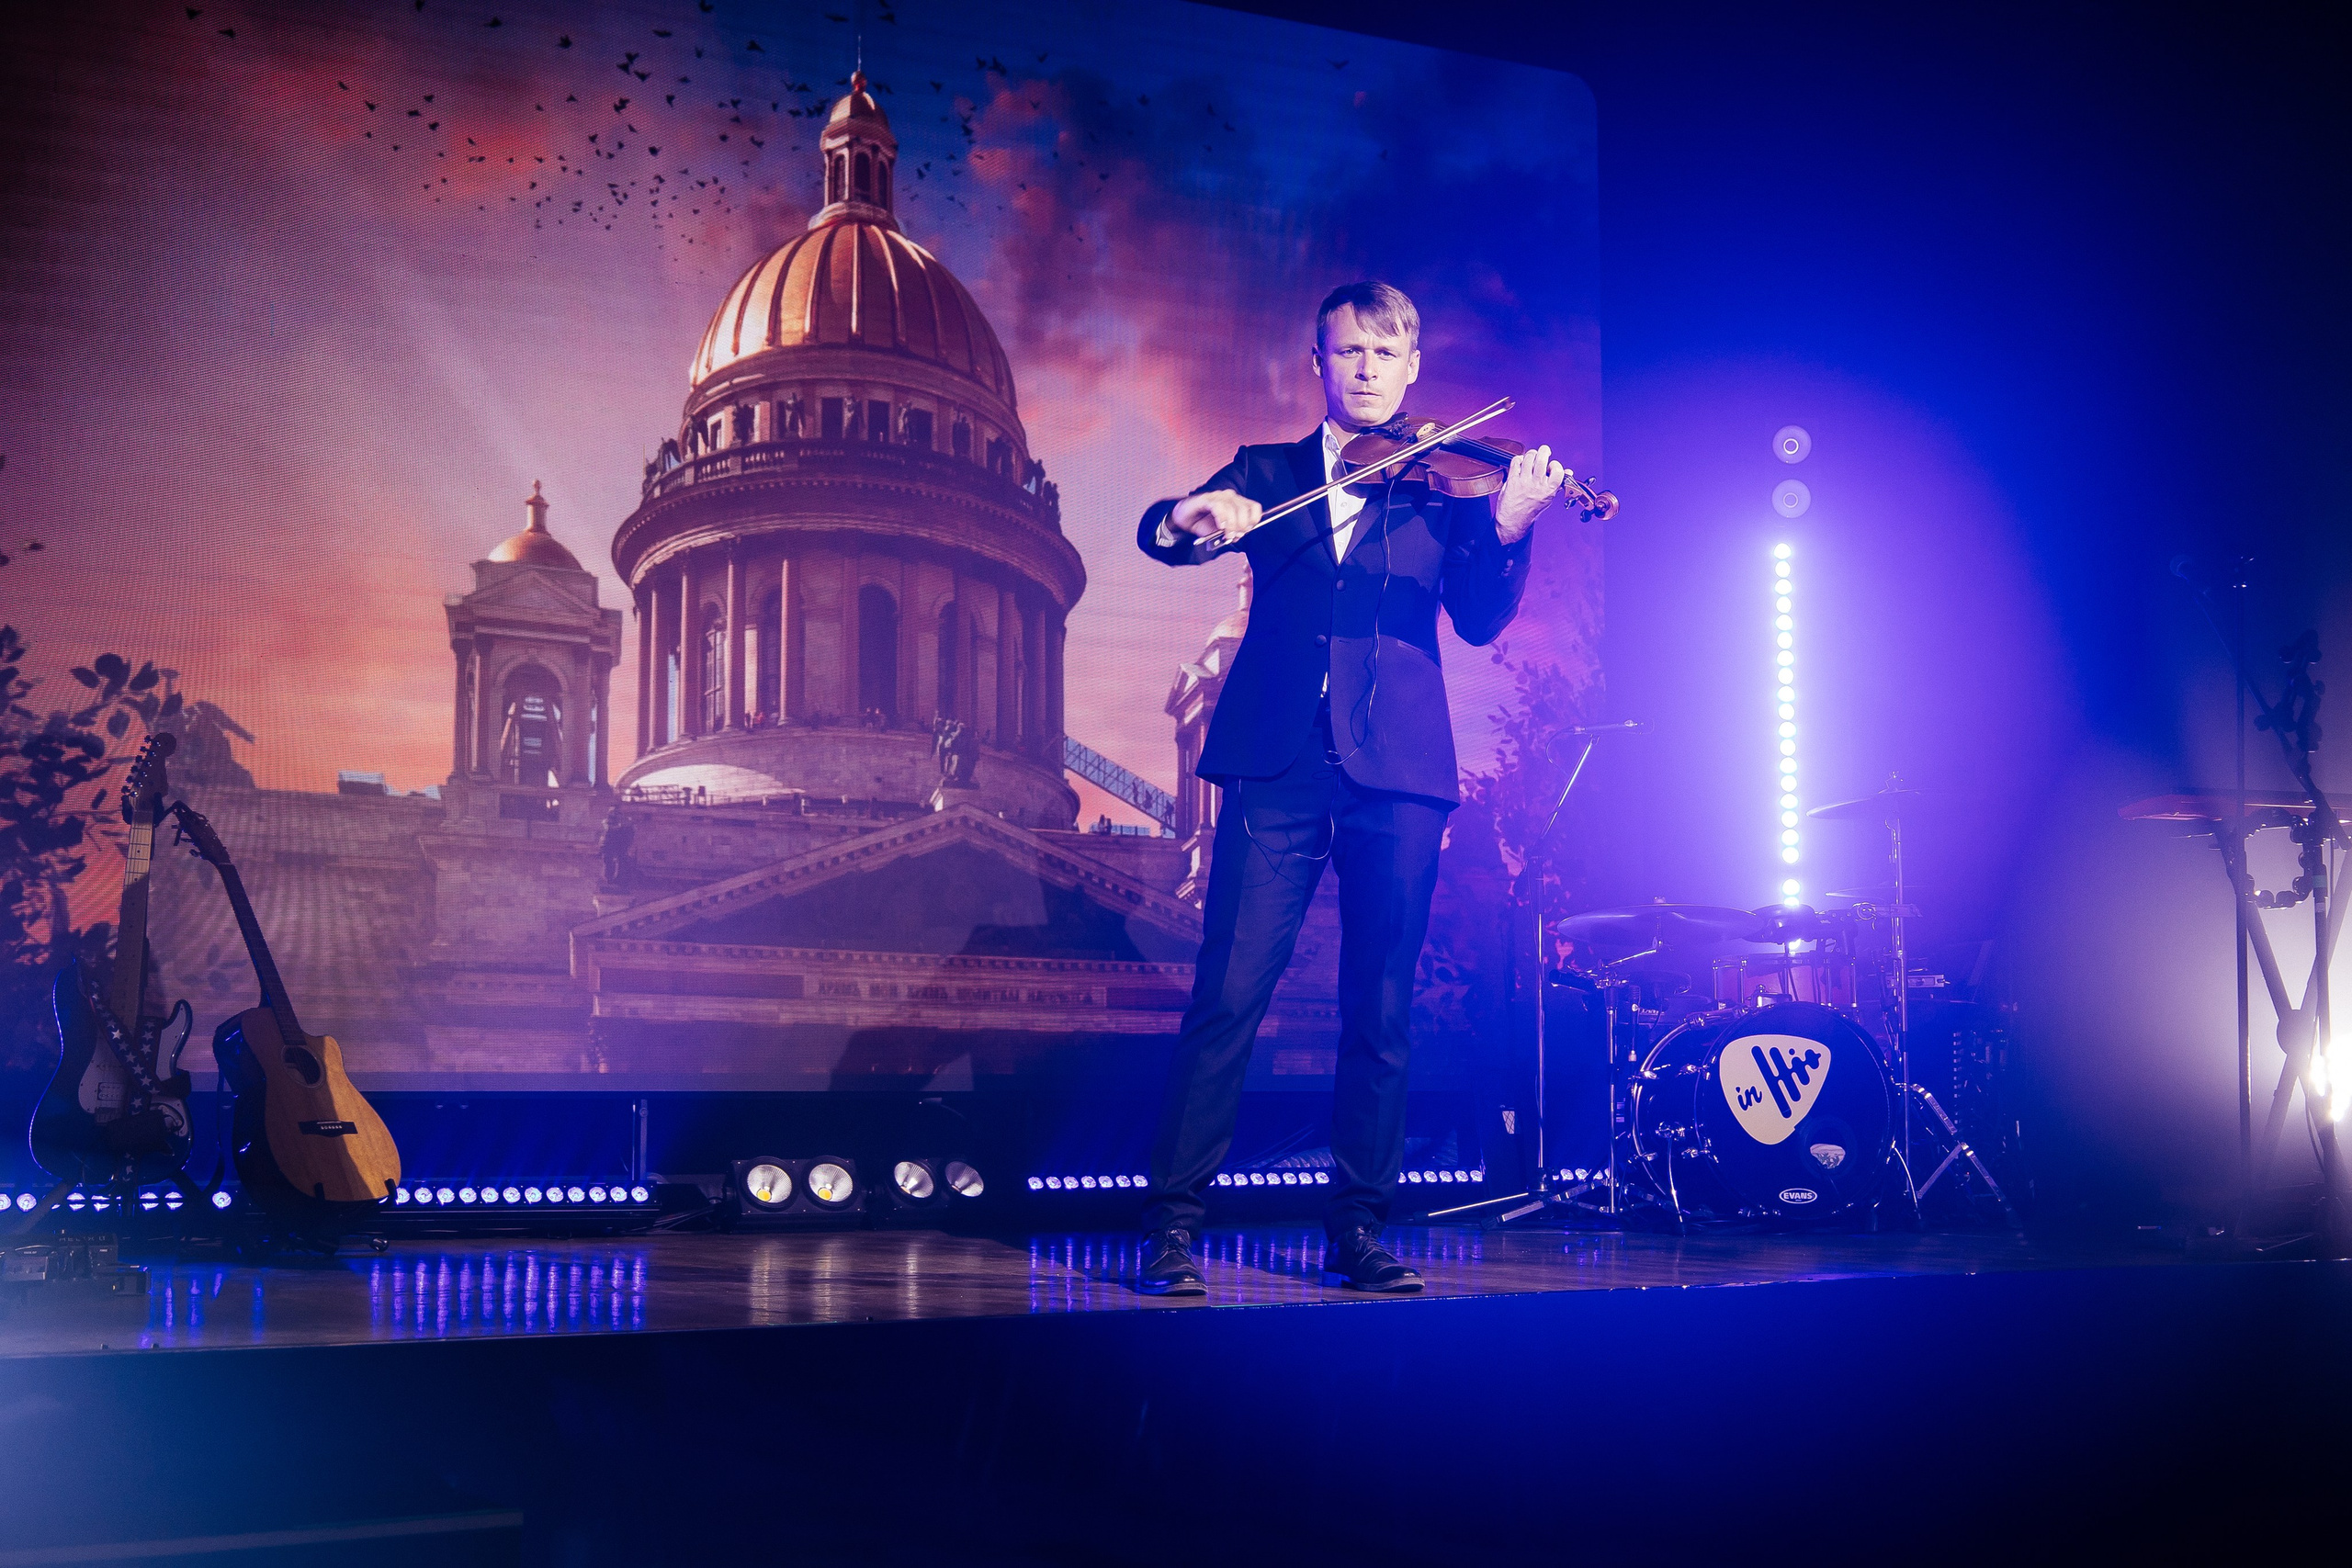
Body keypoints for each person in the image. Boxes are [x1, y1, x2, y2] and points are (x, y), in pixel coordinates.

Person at [1133, 281, 1571, 1294]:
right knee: (1228, 995)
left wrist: (1509, 525)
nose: (1367, 369)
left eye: (1385, 353)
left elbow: (1477, 619)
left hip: (1399, 771)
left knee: (1379, 1008)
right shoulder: (1265, 472)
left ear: (1412, 367)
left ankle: (1359, 1230)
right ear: (1319, 364)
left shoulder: (1444, 486)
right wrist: (1189, 513)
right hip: (1275, 763)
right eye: (1349, 351)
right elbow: (1168, 535)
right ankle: (1171, 1227)